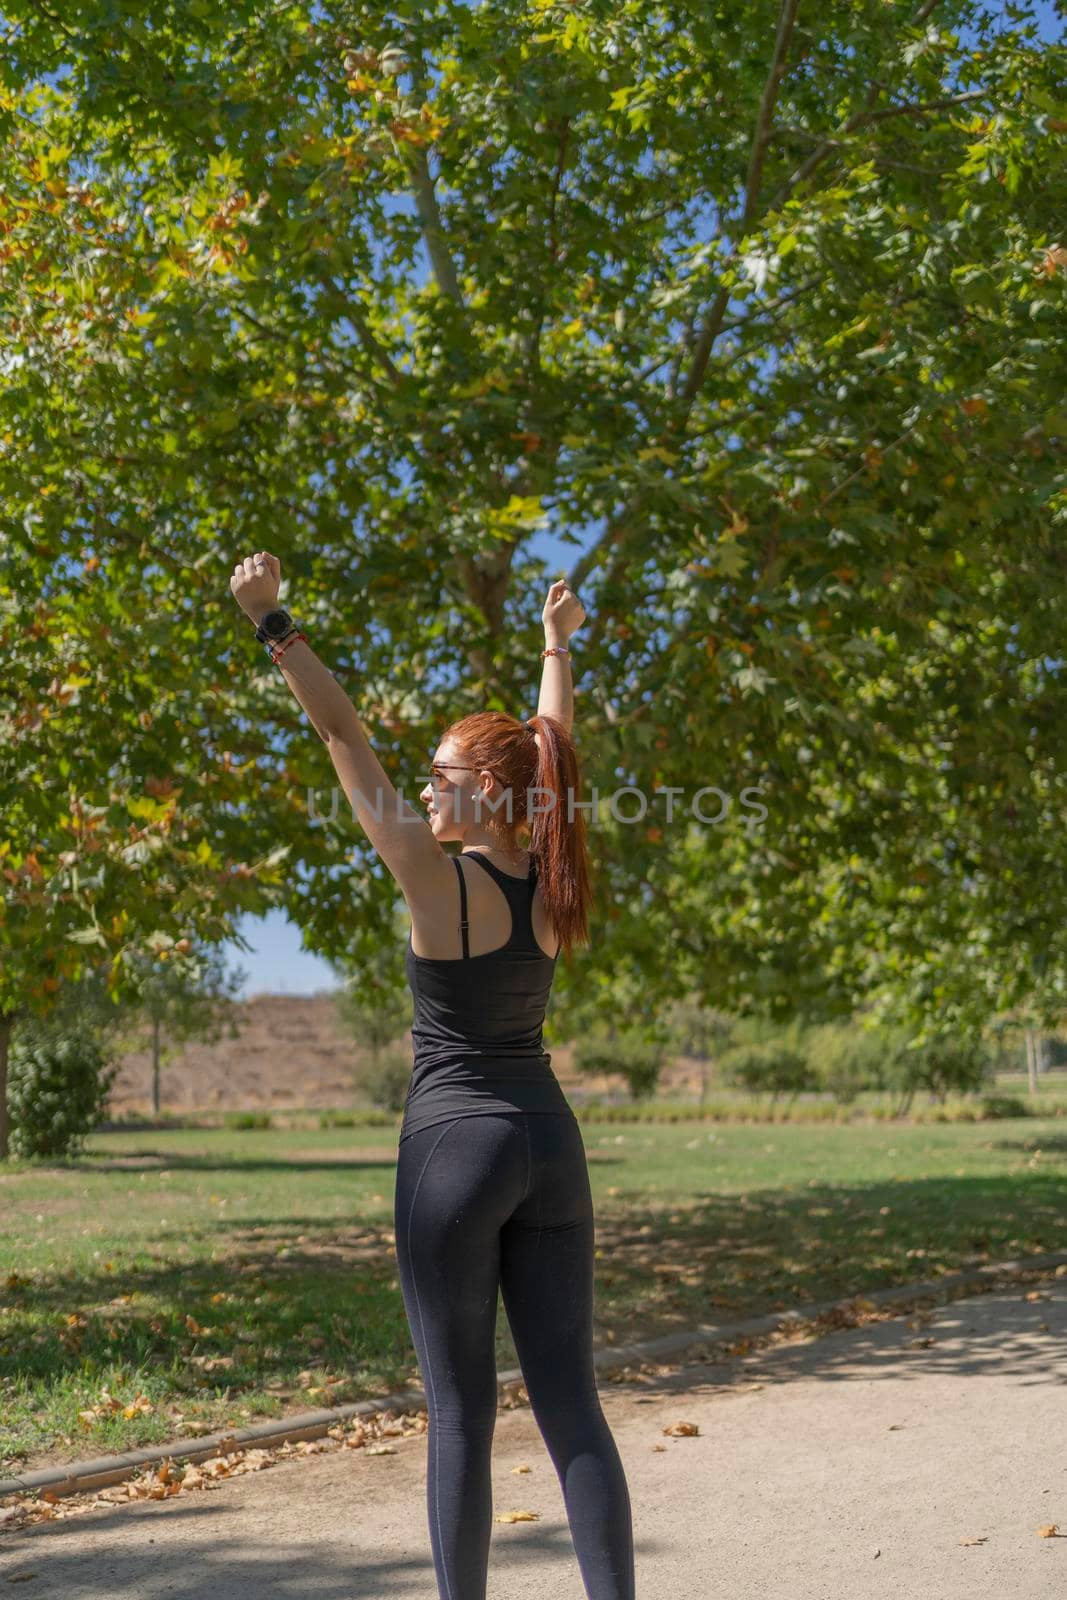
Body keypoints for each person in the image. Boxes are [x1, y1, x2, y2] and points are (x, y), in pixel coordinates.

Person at [229, 555, 636, 1599]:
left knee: (460, 1410)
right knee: (572, 1409)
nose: (421, 784)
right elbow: (557, 754)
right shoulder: (552, 880)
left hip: (454, 1147)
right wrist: (556, 646)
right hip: (549, 1146)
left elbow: (341, 737)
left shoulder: (434, 877)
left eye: (441, 773)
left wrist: (273, 622)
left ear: (487, 791)